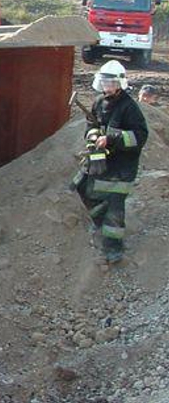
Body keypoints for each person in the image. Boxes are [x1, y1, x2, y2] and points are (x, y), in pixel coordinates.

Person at [73, 60, 148, 263]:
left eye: (111, 82)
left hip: (123, 166)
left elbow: (140, 137)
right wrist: (94, 137)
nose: (108, 86)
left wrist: (112, 138)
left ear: (120, 83)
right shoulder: (98, 102)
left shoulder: (129, 107)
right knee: (80, 186)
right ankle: (100, 220)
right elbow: (91, 126)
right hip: (103, 158)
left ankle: (113, 249)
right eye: (105, 82)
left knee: (115, 206)